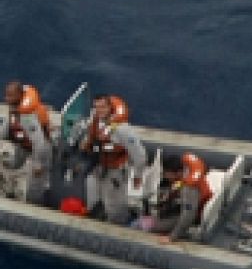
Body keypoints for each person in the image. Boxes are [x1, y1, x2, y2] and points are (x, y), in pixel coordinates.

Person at [79, 94, 147, 225]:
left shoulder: (123, 130)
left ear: (110, 107)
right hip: (99, 165)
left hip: (116, 169)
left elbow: (140, 155)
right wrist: (87, 144)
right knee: (91, 188)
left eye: (103, 107)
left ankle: (118, 223)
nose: (99, 110)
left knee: (114, 203)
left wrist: (138, 176)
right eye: (96, 107)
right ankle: (96, 215)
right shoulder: (95, 119)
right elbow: (92, 136)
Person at [0, 80, 53, 201]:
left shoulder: (28, 116)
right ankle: (10, 182)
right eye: (6, 95)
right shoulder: (14, 109)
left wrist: (38, 164)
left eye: (10, 95)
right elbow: (6, 126)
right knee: (14, 164)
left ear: (20, 96)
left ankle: (35, 203)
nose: (6, 98)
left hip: (39, 150)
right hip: (23, 145)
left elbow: (39, 142)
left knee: (36, 184)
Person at [139, 152, 215, 242]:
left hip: (195, 215)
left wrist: (172, 237)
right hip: (187, 204)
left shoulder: (189, 189)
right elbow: (178, 185)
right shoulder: (185, 171)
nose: (165, 176)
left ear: (178, 173)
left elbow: (188, 216)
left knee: (147, 225)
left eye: (166, 173)